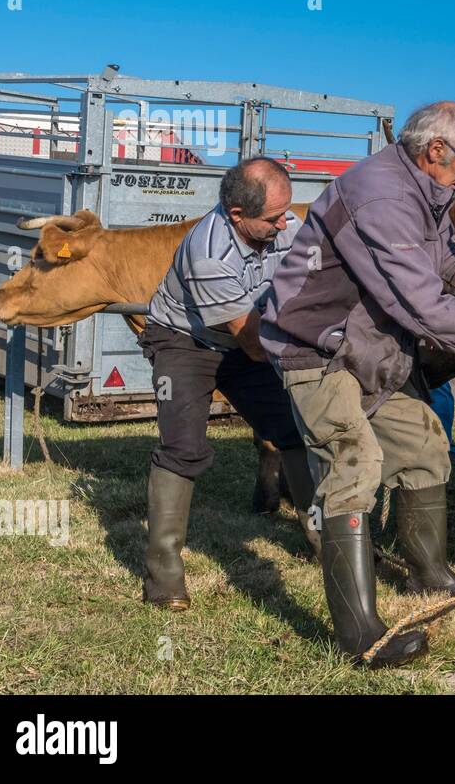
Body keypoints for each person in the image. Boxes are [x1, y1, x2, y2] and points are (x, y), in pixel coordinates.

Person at [260, 101, 455, 668]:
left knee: (423, 439)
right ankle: (360, 634)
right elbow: (419, 304)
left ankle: (430, 575)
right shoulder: (384, 196)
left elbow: (436, 255)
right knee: (355, 464)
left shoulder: (423, 185)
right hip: (316, 350)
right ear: (436, 150)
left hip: (365, 349)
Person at [139, 157, 320, 612]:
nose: (285, 223)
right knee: (183, 446)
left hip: (245, 335)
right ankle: (163, 574)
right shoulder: (208, 252)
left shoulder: (286, 224)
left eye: (285, 212)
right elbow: (257, 347)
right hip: (186, 342)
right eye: (274, 218)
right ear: (238, 215)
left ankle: (329, 543)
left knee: (292, 430)